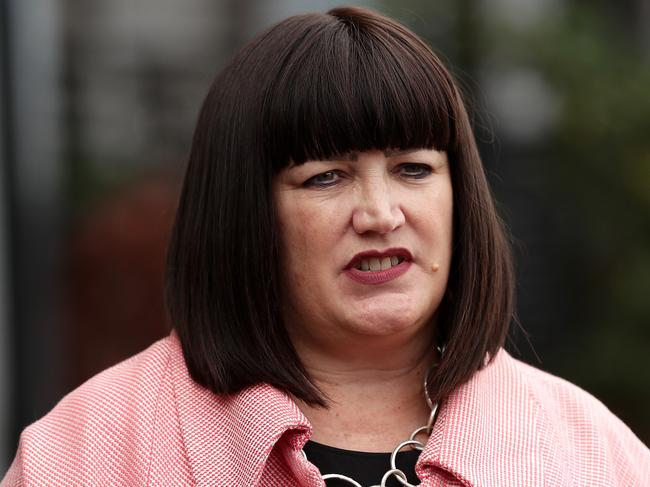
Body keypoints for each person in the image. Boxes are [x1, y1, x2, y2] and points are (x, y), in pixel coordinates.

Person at [2, 6, 648, 487]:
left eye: (414, 168)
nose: (379, 213)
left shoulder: (589, 451)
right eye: (326, 177)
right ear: (243, 213)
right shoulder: (94, 447)